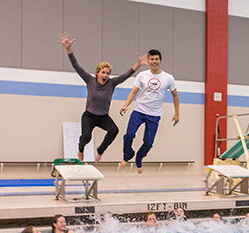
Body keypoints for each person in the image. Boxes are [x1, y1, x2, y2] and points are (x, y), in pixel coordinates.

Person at [58, 32, 147, 163]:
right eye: (103, 72)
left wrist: (137, 65)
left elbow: (125, 75)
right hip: (89, 116)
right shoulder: (89, 80)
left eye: (108, 73)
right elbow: (76, 66)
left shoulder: (112, 83)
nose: (105, 75)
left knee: (114, 130)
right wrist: (68, 49)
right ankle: (80, 149)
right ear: (98, 73)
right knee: (86, 137)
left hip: (103, 117)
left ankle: (100, 151)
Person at [120, 49, 180, 174]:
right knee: (129, 135)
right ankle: (127, 155)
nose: (154, 62)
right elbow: (134, 92)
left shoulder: (168, 78)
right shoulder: (142, 75)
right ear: (148, 61)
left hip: (154, 114)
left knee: (148, 143)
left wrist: (177, 113)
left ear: (160, 60)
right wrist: (126, 105)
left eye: (156, 59)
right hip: (139, 110)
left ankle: (139, 158)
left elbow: (175, 95)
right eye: (152, 59)